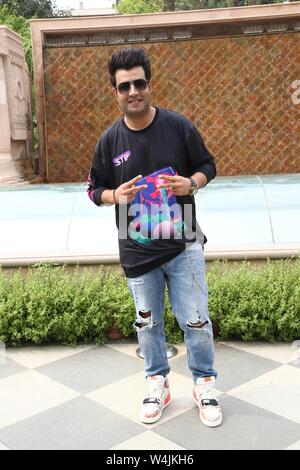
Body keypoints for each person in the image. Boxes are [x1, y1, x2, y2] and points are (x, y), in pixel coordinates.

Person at [87, 47, 222, 428]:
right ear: (115, 91)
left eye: (139, 83)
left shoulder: (178, 126)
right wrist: (116, 196)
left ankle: (205, 383)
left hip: (184, 244)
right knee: (148, 325)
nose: (133, 91)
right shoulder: (109, 142)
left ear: (150, 84)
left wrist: (189, 183)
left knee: (196, 321)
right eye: (124, 85)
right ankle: (157, 382)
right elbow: (93, 189)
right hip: (137, 251)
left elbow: (208, 165)